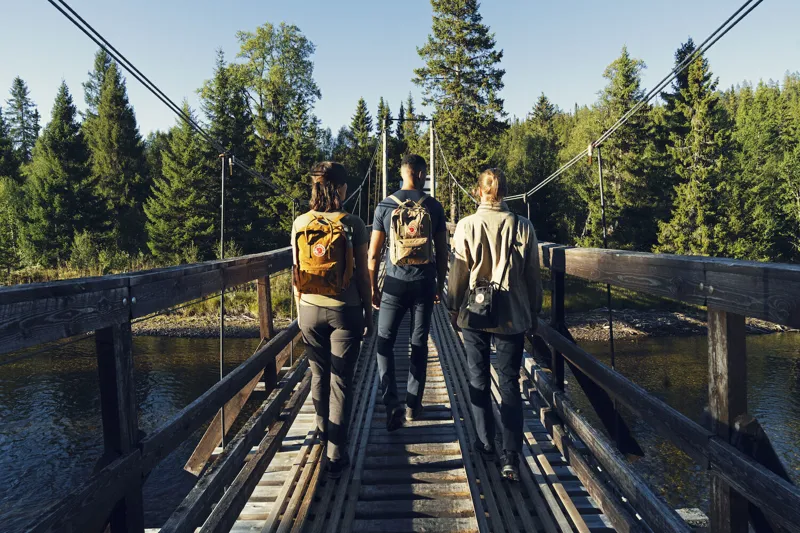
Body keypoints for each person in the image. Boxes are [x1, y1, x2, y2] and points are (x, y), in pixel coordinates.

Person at [446, 168, 543, 481]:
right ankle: (511, 453)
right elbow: (533, 275)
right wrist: (534, 311)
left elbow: (458, 273)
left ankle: (486, 443)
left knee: (478, 378)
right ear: (506, 192)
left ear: (478, 191)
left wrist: (453, 306)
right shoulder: (523, 226)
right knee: (509, 382)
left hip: (475, 313)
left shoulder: (466, 225)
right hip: (512, 315)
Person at [292, 161, 373, 479]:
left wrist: (300, 309)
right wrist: (368, 312)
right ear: (341, 188)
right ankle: (336, 455)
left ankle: (323, 433)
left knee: (318, 374)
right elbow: (363, 275)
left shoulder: (300, 222)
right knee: (341, 381)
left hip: (309, 309)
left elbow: (296, 271)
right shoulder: (353, 222)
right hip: (345, 310)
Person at [368, 154, 448, 431]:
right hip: (424, 283)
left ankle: (392, 404)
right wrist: (439, 282)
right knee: (419, 343)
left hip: (394, 284)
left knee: (384, 343)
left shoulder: (385, 205)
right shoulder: (434, 206)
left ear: (402, 173)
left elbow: (373, 254)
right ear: (422, 174)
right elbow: (442, 251)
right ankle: (413, 404)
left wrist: (372, 287)